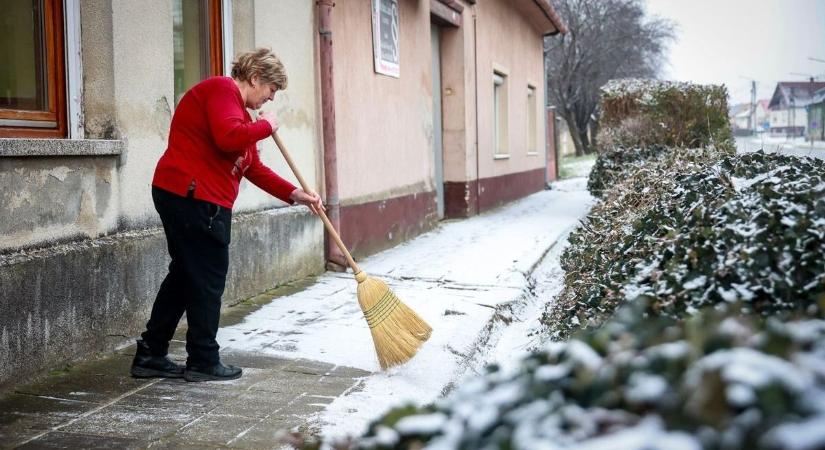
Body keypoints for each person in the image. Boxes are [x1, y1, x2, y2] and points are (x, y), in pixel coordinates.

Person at [130, 48, 323, 382]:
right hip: (194, 197)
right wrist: (265, 126)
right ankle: (203, 360)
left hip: (191, 197)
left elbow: (253, 167)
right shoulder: (222, 90)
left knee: (185, 276)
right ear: (256, 77)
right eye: (271, 91)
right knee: (207, 279)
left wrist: (295, 194)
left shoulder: (239, 114)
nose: (270, 99)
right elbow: (226, 138)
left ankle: (151, 353)